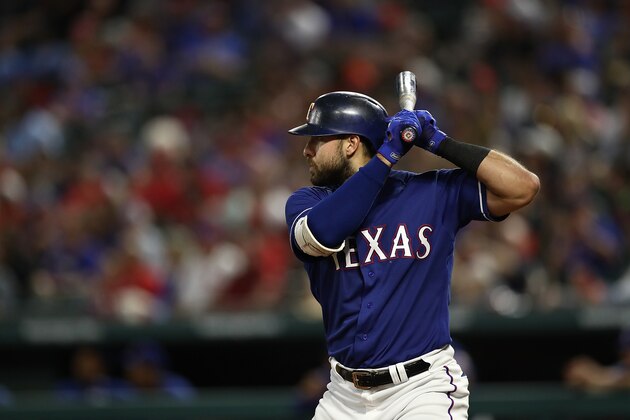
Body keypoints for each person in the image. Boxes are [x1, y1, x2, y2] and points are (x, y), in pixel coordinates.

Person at [284, 91, 539, 419]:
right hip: (343, 396)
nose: (306, 150)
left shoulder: (430, 192)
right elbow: (321, 234)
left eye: (317, 140)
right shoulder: (307, 203)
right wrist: (387, 155)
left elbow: (522, 187)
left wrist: (437, 141)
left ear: (350, 144)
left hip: (420, 388)